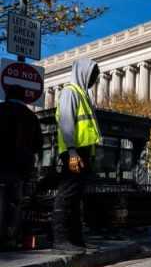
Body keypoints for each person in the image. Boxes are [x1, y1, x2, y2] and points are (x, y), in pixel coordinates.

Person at [52, 58, 101, 254]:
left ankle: (76, 239)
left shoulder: (84, 95)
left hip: (83, 152)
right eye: (92, 75)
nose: (94, 80)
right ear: (83, 73)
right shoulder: (70, 92)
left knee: (76, 197)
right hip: (73, 152)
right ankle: (61, 238)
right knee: (66, 194)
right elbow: (66, 122)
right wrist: (72, 151)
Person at [0, 85, 43, 249]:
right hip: (21, 165)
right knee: (15, 201)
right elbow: (38, 144)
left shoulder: (1, 109)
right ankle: (10, 237)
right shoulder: (30, 116)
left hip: (2, 161)